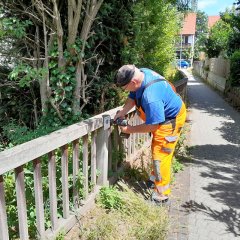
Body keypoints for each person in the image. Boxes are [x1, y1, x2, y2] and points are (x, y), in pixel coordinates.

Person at [114, 64, 186, 203]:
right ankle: (154, 181)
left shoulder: (151, 96)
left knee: (161, 156)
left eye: (124, 87)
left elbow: (153, 126)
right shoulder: (142, 74)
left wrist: (130, 129)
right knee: (156, 149)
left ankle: (161, 196)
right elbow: (132, 97)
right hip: (164, 117)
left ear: (133, 82)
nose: (124, 91)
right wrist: (122, 112)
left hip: (171, 121)